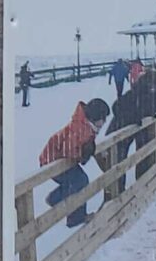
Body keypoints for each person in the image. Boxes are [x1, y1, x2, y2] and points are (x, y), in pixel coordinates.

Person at [40, 96, 108, 232]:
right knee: (80, 181)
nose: (104, 122)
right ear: (94, 117)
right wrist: (82, 154)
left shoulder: (87, 126)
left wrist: (87, 151)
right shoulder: (80, 128)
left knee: (77, 181)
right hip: (53, 161)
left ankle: (55, 199)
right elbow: (68, 149)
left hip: (60, 159)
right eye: (103, 118)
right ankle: (73, 217)